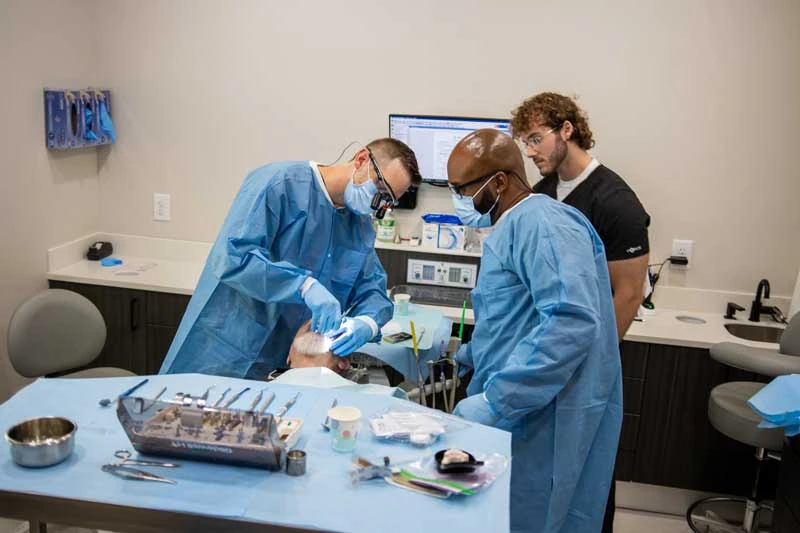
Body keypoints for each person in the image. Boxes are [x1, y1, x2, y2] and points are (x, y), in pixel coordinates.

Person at [448, 129, 622, 533]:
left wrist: (498, 399)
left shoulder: (543, 223)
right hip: (520, 404)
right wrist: (466, 352)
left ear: (499, 182)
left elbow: (570, 320)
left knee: (538, 515)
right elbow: (512, 317)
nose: (457, 199)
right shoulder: (514, 226)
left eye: (461, 189)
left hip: (544, 411)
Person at [160, 139, 421, 379]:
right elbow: (233, 256)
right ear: (362, 159)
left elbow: (372, 291)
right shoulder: (279, 184)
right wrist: (303, 285)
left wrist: (367, 323)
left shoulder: (359, 228)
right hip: (224, 348)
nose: (378, 203)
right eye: (380, 189)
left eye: (387, 201)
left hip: (284, 369)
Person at [511, 92, 650, 532]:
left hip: (589, 362)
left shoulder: (616, 202)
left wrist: (591, 364)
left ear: (567, 130)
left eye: (536, 139)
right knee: (545, 469)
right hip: (551, 353)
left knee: (588, 469)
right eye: (524, 142)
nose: (529, 151)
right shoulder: (543, 194)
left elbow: (628, 294)